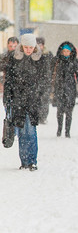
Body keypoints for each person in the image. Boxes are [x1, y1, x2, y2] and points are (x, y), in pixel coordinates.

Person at [3, 34, 44, 171]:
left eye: (31, 47)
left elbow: (43, 80)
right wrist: (7, 97)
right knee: (21, 131)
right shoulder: (14, 59)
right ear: (22, 46)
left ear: (34, 47)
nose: (28, 50)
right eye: (26, 47)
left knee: (31, 130)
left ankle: (32, 160)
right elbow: (9, 79)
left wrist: (39, 95)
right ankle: (24, 161)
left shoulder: (39, 60)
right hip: (17, 100)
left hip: (32, 100)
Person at [51, 41, 78, 138]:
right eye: (64, 51)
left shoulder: (74, 61)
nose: (65, 53)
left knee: (69, 111)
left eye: (67, 51)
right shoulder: (57, 60)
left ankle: (67, 132)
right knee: (59, 110)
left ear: (71, 52)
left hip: (70, 89)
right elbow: (50, 74)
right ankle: (59, 129)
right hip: (59, 88)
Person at [36, 37, 54, 124]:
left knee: (45, 100)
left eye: (41, 45)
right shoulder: (33, 55)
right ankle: (36, 116)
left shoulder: (48, 54)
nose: (39, 47)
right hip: (35, 81)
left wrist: (50, 78)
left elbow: (53, 67)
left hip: (46, 81)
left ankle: (43, 117)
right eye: (38, 45)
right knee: (36, 100)